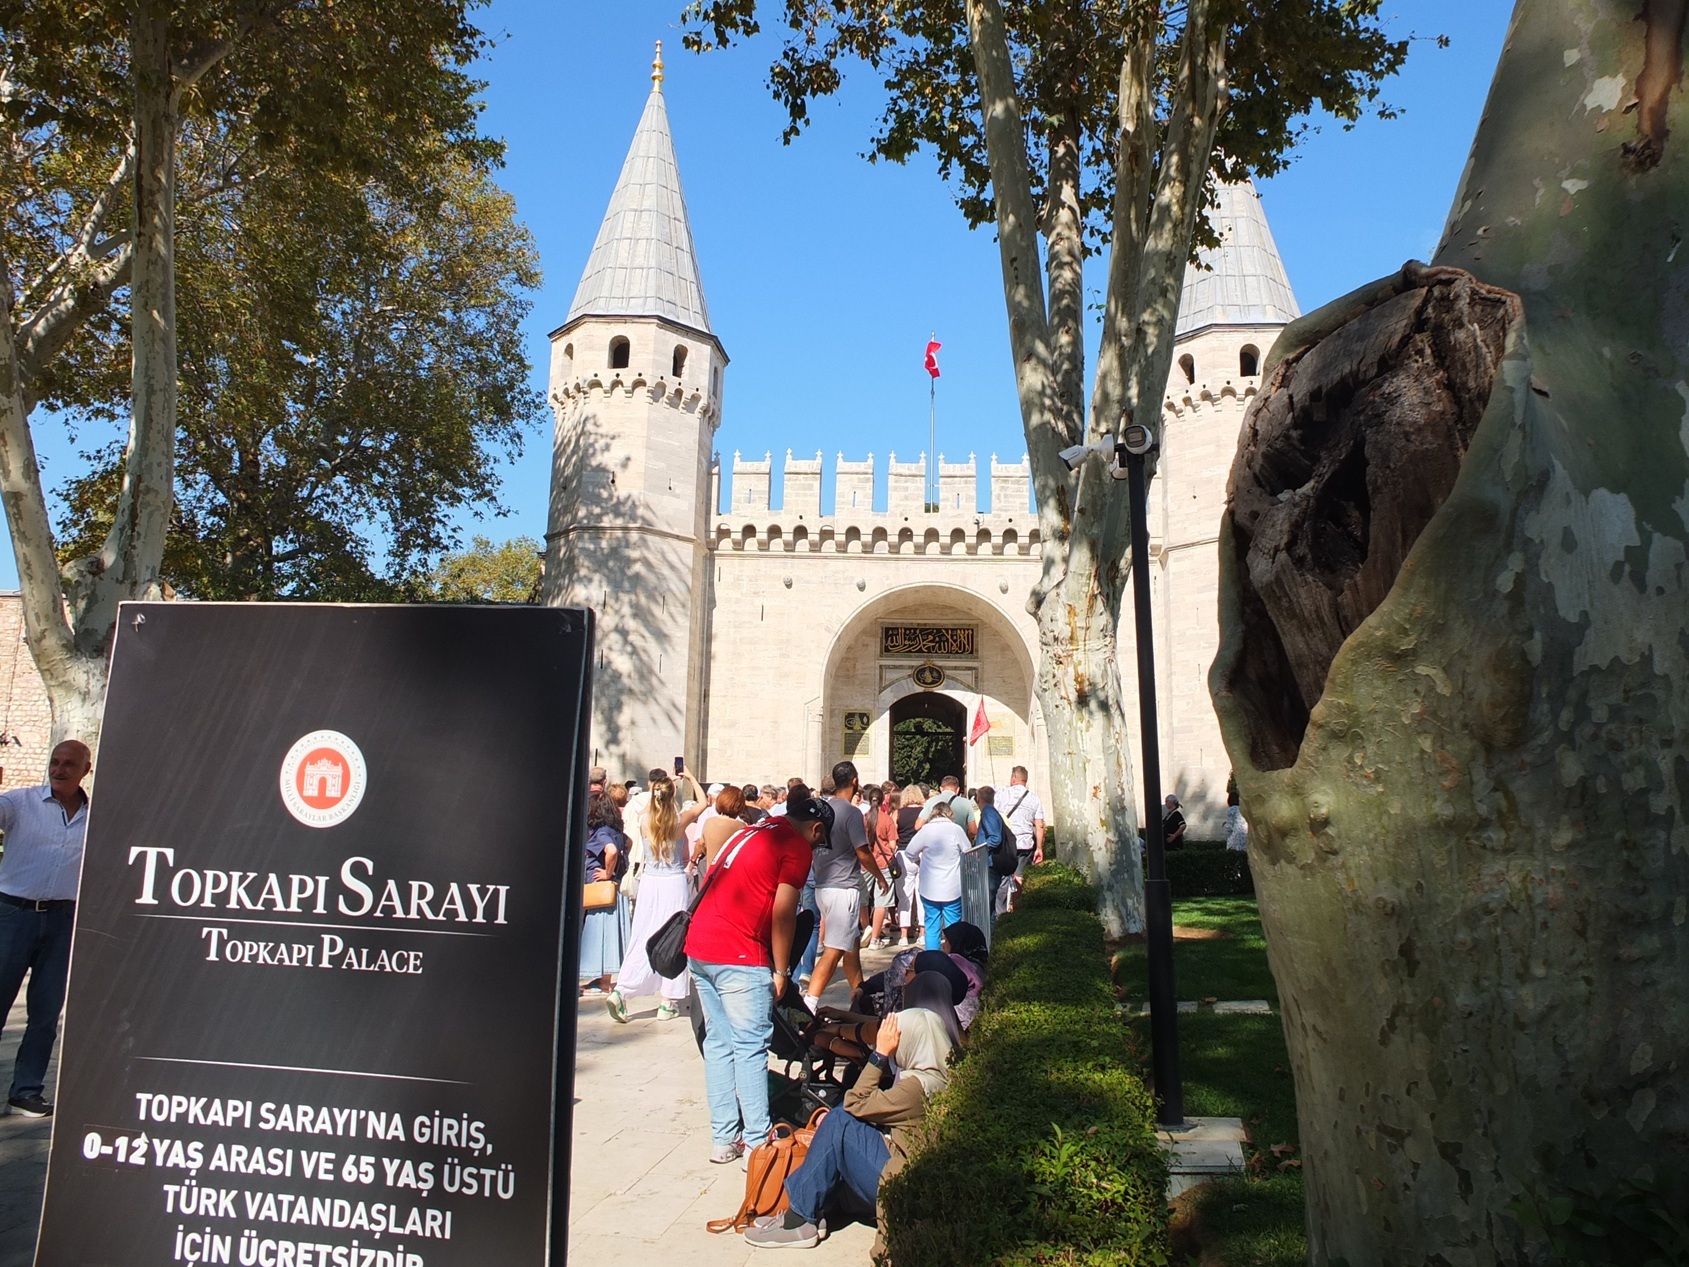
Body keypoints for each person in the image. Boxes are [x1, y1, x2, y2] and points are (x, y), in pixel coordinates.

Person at [685, 796, 830, 1164]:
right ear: (815, 829)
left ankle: (724, 1138)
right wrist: (781, 971)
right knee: (750, 1046)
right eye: (820, 841)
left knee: (719, 1043)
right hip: (739, 952)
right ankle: (756, 1144)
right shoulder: (795, 847)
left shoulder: (748, 832)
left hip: (700, 946)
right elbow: (784, 913)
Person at [744, 1005, 956, 1251]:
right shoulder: (940, 1077)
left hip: (900, 1183)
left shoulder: (915, 1088)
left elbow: (854, 1103)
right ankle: (811, 1212)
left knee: (839, 1120)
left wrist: (880, 1055)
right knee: (840, 1129)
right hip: (910, 1171)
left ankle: (798, 1221)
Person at [0, 741, 91, 1116]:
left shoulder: (96, 817)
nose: (59, 769)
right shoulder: (19, 803)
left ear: (85, 770)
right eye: (55, 762)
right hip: (12, 915)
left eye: (69, 764)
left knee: (46, 1011)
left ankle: (26, 1091)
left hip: (62, 920)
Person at [607, 775, 695, 1023]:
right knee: (673, 937)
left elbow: (648, 807)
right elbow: (702, 803)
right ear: (672, 796)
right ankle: (668, 1001)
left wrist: (661, 785)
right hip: (673, 882)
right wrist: (688, 776)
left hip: (650, 882)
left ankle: (623, 989)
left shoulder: (645, 819)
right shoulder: (679, 821)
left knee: (642, 935)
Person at [807, 762, 889, 1013]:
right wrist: (880, 877)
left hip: (823, 883)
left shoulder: (821, 810)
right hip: (843, 887)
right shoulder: (851, 813)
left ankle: (861, 1000)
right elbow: (862, 851)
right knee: (833, 951)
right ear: (855, 781)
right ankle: (808, 1004)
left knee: (851, 947)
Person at [579, 791, 631, 997]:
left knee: (597, 931)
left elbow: (611, 851)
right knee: (610, 933)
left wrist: (607, 872)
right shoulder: (616, 830)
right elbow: (628, 843)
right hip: (615, 888)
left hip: (600, 888)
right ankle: (605, 981)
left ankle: (598, 979)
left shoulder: (600, 832)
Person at [905, 800, 969, 949]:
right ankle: (954, 957)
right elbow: (968, 852)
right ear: (949, 814)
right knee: (953, 927)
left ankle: (932, 958)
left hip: (930, 887)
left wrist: (919, 861)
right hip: (952, 887)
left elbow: (909, 852)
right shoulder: (956, 829)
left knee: (932, 927)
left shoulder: (926, 830)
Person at [999, 766, 1045, 911]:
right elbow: (1040, 825)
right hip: (1024, 844)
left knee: (1003, 876)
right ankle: (1014, 907)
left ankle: (1001, 910)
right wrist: (1039, 848)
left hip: (1006, 844)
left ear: (1013, 778)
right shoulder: (1034, 798)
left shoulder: (1002, 794)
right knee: (1018, 876)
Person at [866, 789, 901, 948]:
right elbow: (892, 845)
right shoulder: (887, 820)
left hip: (866, 863)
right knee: (882, 901)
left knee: (862, 900)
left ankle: (866, 930)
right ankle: (874, 939)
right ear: (883, 801)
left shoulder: (863, 818)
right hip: (883, 863)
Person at [975, 785, 1016, 919]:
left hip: (990, 864)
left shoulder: (988, 812)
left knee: (986, 905)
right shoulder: (991, 812)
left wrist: (980, 850)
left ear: (978, 799)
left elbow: (995, 838)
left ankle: (989, 931)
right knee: (989, 906)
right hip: (990, 864)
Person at [893, 784, 926, 946]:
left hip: (903, 854)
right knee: (922, 896)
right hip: (922, 854)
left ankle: (904, 935)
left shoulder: (897, 813)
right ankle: (922, 933)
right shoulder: (924, 812)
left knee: (904, 897)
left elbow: (893, 834)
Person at [916, 774, 977, 841]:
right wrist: (965, 837)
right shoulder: (966, 803)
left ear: (941, 788)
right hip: (957, 843)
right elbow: (973, 831)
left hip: (936, 843)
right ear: (958, 790)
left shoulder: (931, 802)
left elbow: (918, 826)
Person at [1225, 786, 1249, 851]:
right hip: (1245, 835)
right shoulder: (1243, 809)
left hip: (1235, 837)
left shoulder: (1231, 810)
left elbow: (1229, 827)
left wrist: (1225, 825)